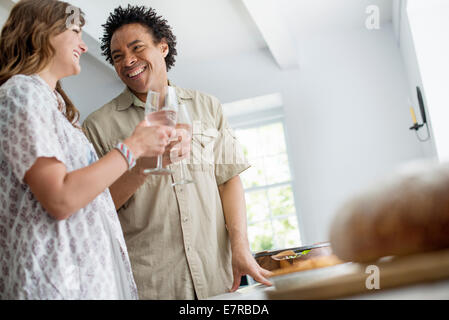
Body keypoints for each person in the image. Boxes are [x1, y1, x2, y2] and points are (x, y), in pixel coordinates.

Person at [82, 5, 272, 300]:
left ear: (163, 46)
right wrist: (142, 165)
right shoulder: (98, 126)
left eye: (136, 48)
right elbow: (97, 208)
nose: (128, 61)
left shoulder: (207, 106)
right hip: (151, 284)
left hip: (216, 278)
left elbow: (228, 179)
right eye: (118, 57)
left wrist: (240, 247)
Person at [0, 0, 175, 299]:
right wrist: (132, 146)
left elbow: (87, 196)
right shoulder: (21, 93)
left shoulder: (54, 107)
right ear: (45, 31)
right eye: (77, 32)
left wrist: (144, 160)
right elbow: (61, 198)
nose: (83, 46)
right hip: (55, 286)